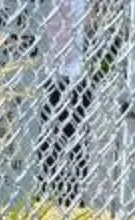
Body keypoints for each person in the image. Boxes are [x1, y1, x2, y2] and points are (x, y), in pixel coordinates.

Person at [33, 0, 95, 201]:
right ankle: (41, 191)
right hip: (39, 76)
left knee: (75, 140)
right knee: (42, 142)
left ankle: (72, 194)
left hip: (75, 75)